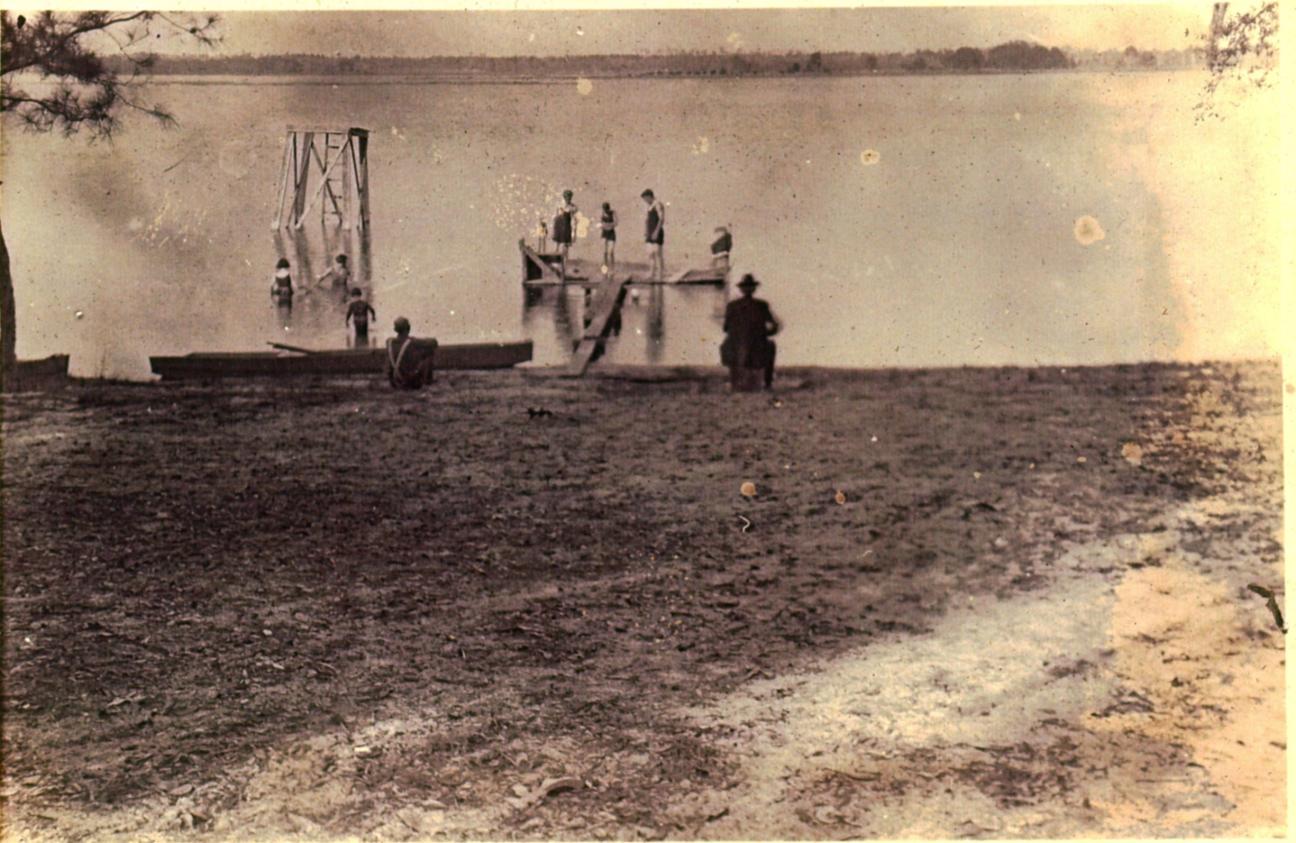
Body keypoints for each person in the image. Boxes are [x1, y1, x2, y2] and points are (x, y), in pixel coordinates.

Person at [721, 274, 780, 391]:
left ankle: (734, 381)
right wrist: (765, 334)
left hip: (737, 344)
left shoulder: (732, 306)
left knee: (727, 344)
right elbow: (774, 326)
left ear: (741, 289)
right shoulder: (762, 305)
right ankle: (767, 383)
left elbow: (726, 328)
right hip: (758, 345)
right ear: (754, 289)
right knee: (771, 346)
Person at [385, 317, 437, 390]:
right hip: (410, 382)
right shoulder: (412, 342)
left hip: (394, 381)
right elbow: (434, 342)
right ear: (408, 328)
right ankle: (428, 381)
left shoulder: (389, 342)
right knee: (429, 352)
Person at [551, 190, 577, 280]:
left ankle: (563, 269)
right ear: (564, 197)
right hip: (559, 227)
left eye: (569, 197)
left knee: (565, 248)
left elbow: (573, 219)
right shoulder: (559, 205)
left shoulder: (572, 207)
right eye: (566, 197)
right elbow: (555, 217)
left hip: (566, 227)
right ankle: (555, 267)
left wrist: (574, 233)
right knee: (557, 247)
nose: (568, 199)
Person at [641, 189, 665, 281]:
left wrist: (656, 231)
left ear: (649, 196)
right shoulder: (648, 206)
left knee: (658, 253)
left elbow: (661, 219)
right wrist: (646, 231)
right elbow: (646, 220)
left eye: (645, 199)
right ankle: (652, 273)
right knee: (650, 253)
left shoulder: (658, 204)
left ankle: (660, 274)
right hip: (649, 231)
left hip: (657, 231)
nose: (645, 201)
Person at [270, 257, 294, 325]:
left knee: (281, 310)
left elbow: (272, 285)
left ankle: (284, 323)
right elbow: (293, 285)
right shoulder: (288, 274)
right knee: (289, 312)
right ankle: (288, 323)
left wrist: (272, 294)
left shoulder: (276, 274)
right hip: (288, 295)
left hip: (280, 297)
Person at [599, 201, 618, 273]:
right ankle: (605, 269)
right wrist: (606, 225)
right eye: (604, 209)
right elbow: (600, 223)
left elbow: (616, 222)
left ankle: (612, 268)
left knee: (611, 252)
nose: (605, 211)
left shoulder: (613, 213)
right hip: (604, 233)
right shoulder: (602, 214)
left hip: (611, 234)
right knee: (604, 252)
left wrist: (607, 225)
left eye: (606, 209)